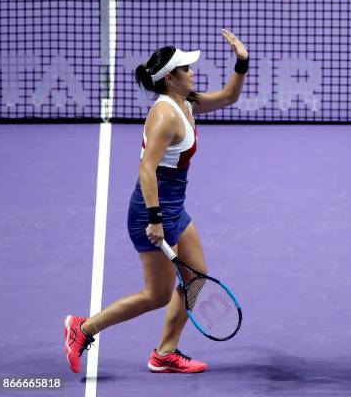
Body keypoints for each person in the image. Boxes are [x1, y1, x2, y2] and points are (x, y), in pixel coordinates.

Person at [64, 29, 249, 374]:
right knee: (157, 295)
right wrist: (154, 219)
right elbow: (147, 169)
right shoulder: (164, 116)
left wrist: (241, 62)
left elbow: (228, 98)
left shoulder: (186, 102)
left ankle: (165, 353)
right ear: (170, 78)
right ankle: (83, 328)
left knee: (196, 277)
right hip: (151, 212)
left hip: (174, 208)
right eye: (186, 69)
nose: (192, 72)